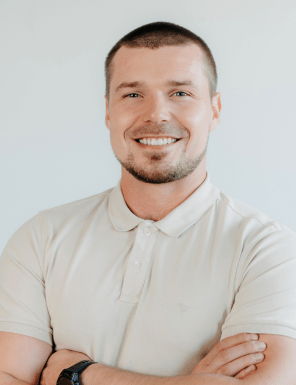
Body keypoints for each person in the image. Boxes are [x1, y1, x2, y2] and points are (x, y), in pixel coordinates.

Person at [0, 21, 295, 385]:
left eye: (181, 93)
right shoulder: (42, 238)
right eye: (133, 95)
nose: (156, 115)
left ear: (215, 110)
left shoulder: (267, 249)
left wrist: (80, 375)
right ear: (108, 111)